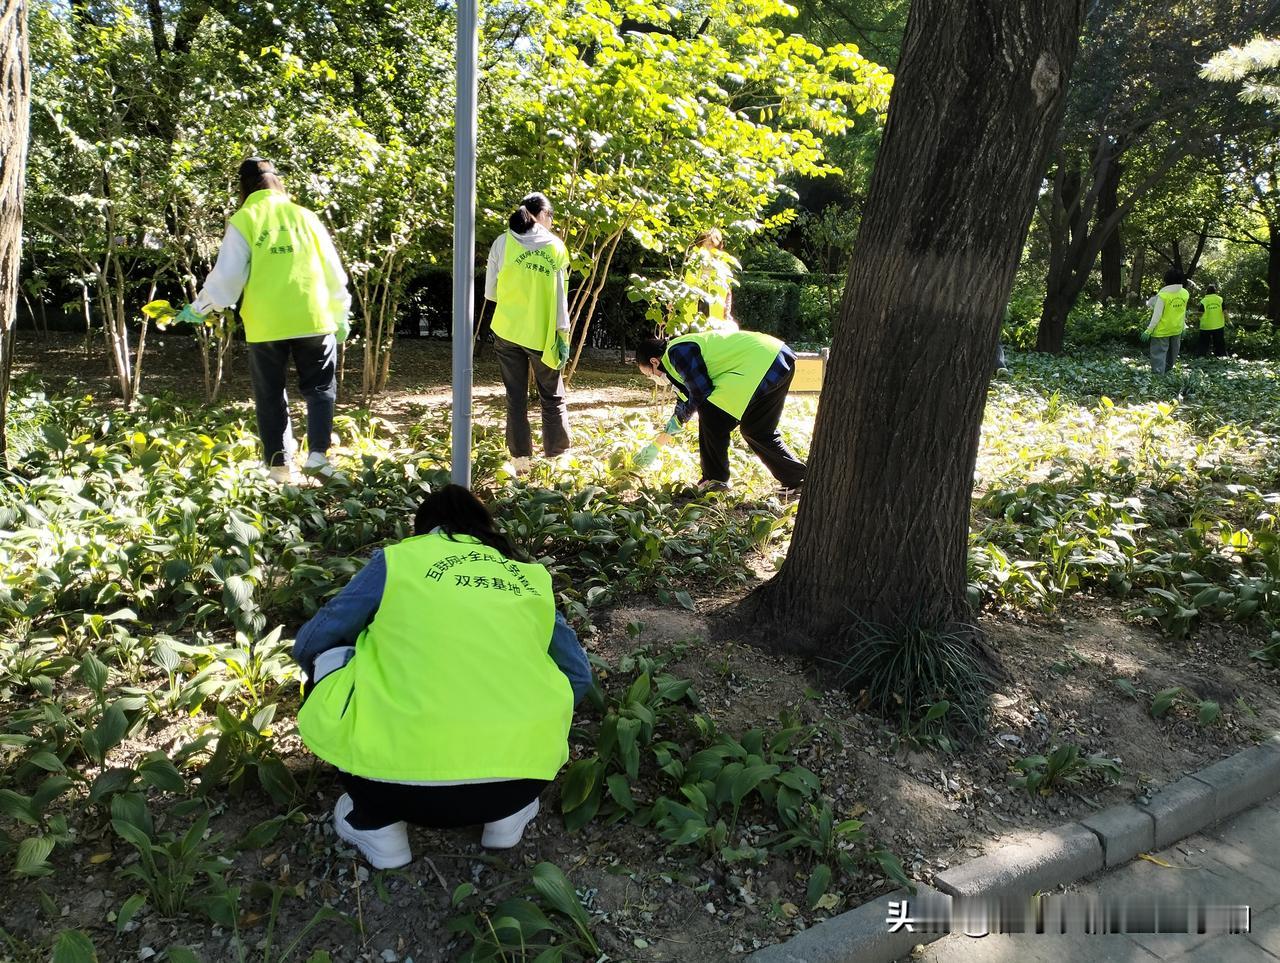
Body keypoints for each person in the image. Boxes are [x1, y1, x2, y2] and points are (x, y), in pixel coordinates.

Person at [293, 485, 592, 868]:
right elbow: (578, 675)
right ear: (484, 527)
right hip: (519, 784)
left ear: (424, 529)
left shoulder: (399, 560)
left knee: (331, 657)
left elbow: (312, 641)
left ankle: (375, 823)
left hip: (389, 788)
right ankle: (504, 818)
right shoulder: (530, 577)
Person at [176, 158, 351, 484]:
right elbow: (332, 270)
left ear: (243, 188)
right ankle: (318, 457)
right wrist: (341, 312)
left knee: (271, 394)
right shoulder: (306, 216)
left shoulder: (245, 219)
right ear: (278, 181)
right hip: (314, 316)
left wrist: (201, 307)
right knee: (320, 390)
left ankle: (280, 467)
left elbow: (228, 278)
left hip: (266, 324)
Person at [633, 331, 807, 494]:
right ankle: (797, 478)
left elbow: (701, 391)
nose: (654, 378)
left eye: (650, 374)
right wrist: (666, 433)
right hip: (779, 359)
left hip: (761, 363)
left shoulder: (677, 352)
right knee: (757, 430)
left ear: (654, 361)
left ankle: (715, 480)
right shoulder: (675, 360)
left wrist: (682, 416)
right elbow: (686, 398)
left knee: (711, 415)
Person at [484, 193, 573, 472]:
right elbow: (561, 297)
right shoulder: (556, 247)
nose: (552, 222)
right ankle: (557, 459)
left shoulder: (502, 242)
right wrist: (563, 333)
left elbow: (491, 292)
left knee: (515, 396)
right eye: (551, 216)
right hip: (541, 334)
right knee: (552, 396)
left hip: (507, 331)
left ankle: (520, 460)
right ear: (542, 214)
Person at [673, 229, 740, 336]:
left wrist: (727, 312)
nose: (708, 248)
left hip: (715, 310)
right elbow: (686, 285)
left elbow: (727, 291)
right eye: (705, 244)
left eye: (711, 244)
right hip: (694, 307)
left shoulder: (722, 264)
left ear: (717, 246)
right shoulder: (693, 262)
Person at [1140, 269, 1190, 375]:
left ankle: (1158, 377)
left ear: (1166, 280)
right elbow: (1182, 311)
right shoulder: (1185, 293)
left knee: (1159, 355)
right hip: (1176, 329)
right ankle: (1168, 374)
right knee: (1172, 354)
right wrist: (1184, 326)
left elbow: (1157, 315)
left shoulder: (1163, 295)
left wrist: (1148, 330)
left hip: (1161, 331)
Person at [1198, 284, 1228, 357]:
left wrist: (1195, 316)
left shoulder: (1204, 301)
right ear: (1215, 291)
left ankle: (1201, 358)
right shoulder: (1220, 299)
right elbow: (1225, 312)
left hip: (1206, 326)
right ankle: (1221, 357)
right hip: (1218, 325)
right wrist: (1228, 320)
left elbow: (1200, 313)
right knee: (1219, 344)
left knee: (1203, 344)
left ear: (1207, 291)